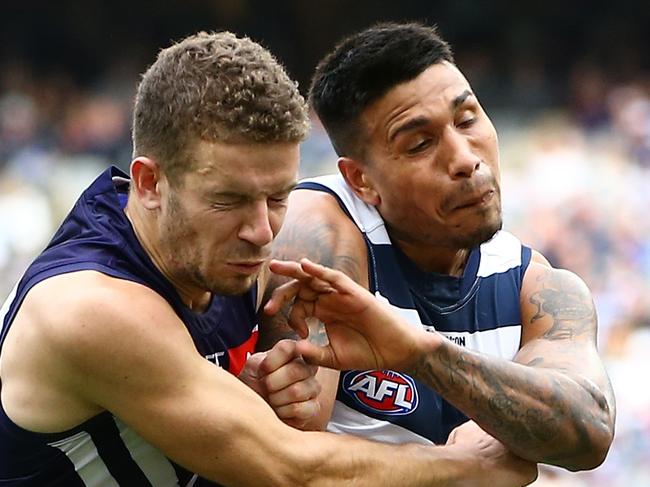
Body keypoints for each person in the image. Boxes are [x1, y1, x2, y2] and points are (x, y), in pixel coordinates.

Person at [0, 31, 537, 486]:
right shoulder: (89, 309)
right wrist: (469, 466)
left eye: (278, 196)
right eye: (228, 200)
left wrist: (259, 389)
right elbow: (292, 471)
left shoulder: (220, 259)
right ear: (149, 183)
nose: (262, 233)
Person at [259, 22, 616, 472]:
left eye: (467, 120)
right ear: (361, 180)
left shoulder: (536, 284)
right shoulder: (319, 232)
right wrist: (460, 467)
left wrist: (418, 353)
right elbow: (295, 455)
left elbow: (589, 432)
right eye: (421, 143)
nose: (466, 159)